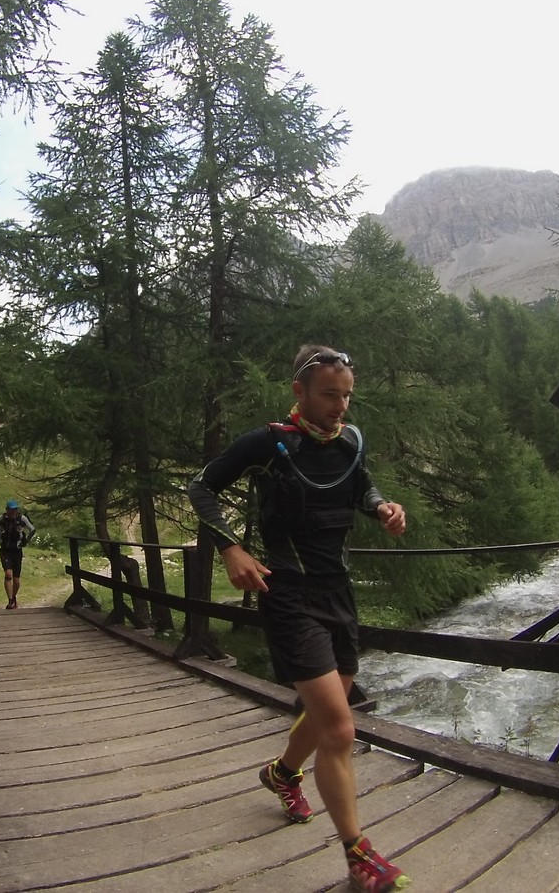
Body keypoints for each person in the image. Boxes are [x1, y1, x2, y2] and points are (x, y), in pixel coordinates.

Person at [188, 344, 410, 892]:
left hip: (339, 593)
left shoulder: (351, 440)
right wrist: (230, 548)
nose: (341, 406)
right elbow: (202, 487)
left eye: (347, 396)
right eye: (330, 395)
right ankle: (359, 856)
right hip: (287, 593)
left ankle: (282, 773)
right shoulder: (269, 443)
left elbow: (359, 483)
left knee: (328, 709)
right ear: (300, 391)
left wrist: (382, 507)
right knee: (339, 727)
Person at [0, 499, 36, 609]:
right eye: (11, 510)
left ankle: (14, 597)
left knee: (16, 580)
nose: (13, 512)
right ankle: (10, 600)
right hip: (5, 550)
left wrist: (26, 541)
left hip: (17, 551)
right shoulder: (1, 519)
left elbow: (32, 529)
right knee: (8, 575)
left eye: (15, 509)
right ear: (7, 510)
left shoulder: (22, 519)